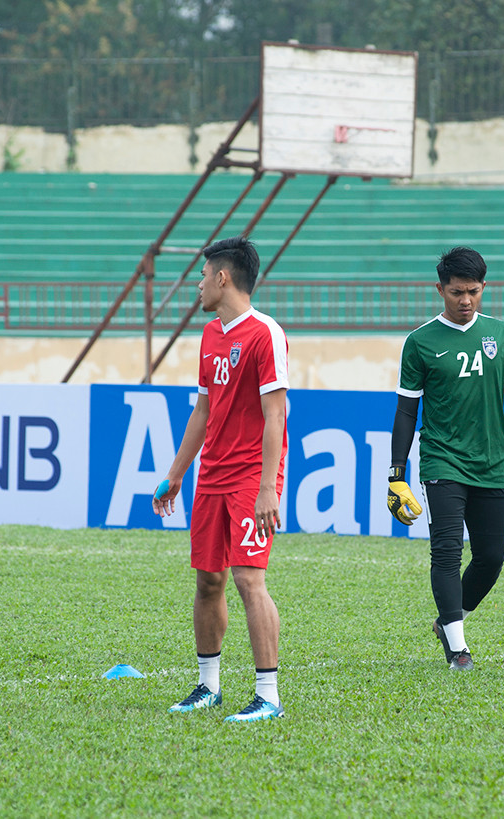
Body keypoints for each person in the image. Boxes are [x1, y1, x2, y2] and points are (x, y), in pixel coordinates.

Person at [387, 246, 504, 671]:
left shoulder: (500, 335)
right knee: (446, 552)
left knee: (491, 557)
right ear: (440, 290)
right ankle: (458, 649)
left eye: (474, 292)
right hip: (442, 461)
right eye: (457, 292)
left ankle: (449, 621)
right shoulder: (420, 342)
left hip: (490, 462)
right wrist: (397, 475)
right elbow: (407, 410)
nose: (466, 301)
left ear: (484, 288)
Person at [153, 235, 289, 722]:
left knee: (250, 580)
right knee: (208, 580)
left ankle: (268, 695)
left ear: (223, 277)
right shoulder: (212, 335)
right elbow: (204, 409)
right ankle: (208, 687)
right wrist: (175, 474)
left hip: (250, 476)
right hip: (211, 475)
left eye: (202, 276)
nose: (198, 284)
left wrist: (268, 486)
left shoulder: (264, 333)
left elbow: (276, 415)